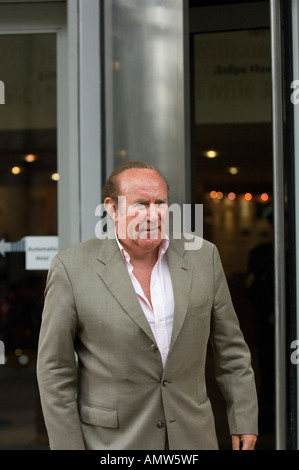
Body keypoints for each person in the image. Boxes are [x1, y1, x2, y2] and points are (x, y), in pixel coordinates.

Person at [37, 160, 258, 450]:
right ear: (112, 208)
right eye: (141, 204)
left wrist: (243, 418)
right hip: (112, 443)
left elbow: (231, 350)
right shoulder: (71, 267)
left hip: (192, 438)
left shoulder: (203, 258)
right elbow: (54, 370)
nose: (153, 214)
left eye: (161, 203)